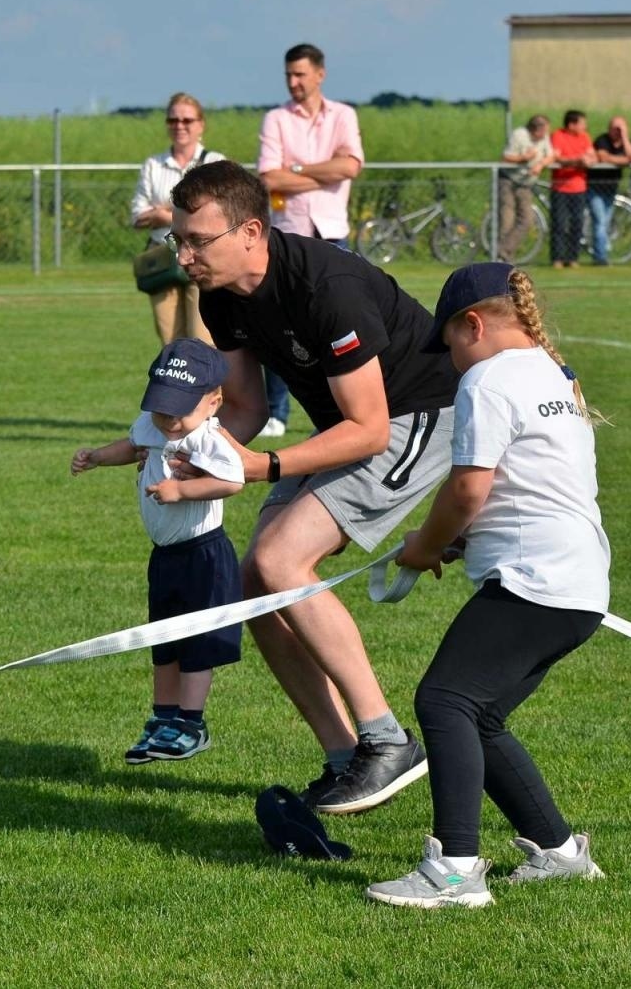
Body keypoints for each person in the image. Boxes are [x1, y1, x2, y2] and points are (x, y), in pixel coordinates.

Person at [169, 159, 462, 815]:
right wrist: (188, 450)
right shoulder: (219, 294)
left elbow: (368, 428)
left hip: (418, 414)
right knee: (254, 585)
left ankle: (388, 741)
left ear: (251, 232)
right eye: (177, 240)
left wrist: (265, 467)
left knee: (281, 559)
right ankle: (347, 758)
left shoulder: (326, 286)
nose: (184, 256)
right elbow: (243, 406)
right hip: (353, 424)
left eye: (197, 241)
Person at [365, 261, 610, 910]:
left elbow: (470, 487)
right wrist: (459, 539)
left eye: (448, 343)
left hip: (538, 579)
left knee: (444, 701)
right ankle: (557, 852)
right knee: (482, 715)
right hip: (578, 584)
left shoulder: (490, 378)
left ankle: (454, 870)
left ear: (473, 324)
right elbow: (533, 484)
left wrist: (422, 546)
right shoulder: (552, 374)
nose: (448, 360)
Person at [71, 338, 246, 764]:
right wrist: (97, 456)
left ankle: (191, 723)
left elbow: (232, 480)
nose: (168, 421)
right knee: (163, 640)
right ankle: (162, 718)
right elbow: (131, 447)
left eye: (178, 411)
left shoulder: (209, 437)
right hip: (166, 556)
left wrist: (181, 489)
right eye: (161, 409)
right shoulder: (154, 426)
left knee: (198, 642)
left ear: (213, 402)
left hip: (205, 556)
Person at [258, 43, 366, 439]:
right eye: (289, 74)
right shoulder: (276, 119)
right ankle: (276, 412)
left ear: (320, 74)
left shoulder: (343, 115)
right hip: (287, 235)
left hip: (332, 232)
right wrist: (326, 172)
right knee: (279, 325)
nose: (293, 82)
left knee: (338, 325)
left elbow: (351, 166)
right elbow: (269, 178)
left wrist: (298, 169)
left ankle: (343, 409)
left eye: (300, 74)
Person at [130, 94, 223, 344]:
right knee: (171, 344)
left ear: (200, 124)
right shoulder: (153, 165)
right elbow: (137, 215)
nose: (179, 125)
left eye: (186, 120)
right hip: (163, 258)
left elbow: (219, 214)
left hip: (203, 258)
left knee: (203, 341)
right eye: (173, 120)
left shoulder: (215, 163)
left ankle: (210, 386)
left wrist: (164, 214)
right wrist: (186, 212)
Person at [497, 114, 554, 259]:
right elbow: (505, 158)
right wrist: (523, 158)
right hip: (508, 180)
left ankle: (502, 250)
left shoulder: (544, 137)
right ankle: (503, 258)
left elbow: (551, 155)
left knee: (527, 219)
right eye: (544, 131)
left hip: (526, 183)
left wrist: (540, 164)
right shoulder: (519, 135)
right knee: (507, 219)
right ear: (536, 129)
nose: (545, 135)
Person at [589, 116, 631, 267]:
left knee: (605, 223)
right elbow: (603, 157)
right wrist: (625, 160)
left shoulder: (628, 142)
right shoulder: (602, 140)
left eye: (621, 128)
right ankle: (600, 258)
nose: (617, 131)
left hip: (611, 189)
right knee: (600, 222)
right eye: (615, 128)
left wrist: (624, 136)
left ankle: (600, 254)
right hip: (595, 187)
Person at [547, 111, 595, 269]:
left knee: (577, 223)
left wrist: (587, 160)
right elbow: (557, 158)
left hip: (579, 187)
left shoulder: (585, 137)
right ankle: (557, 258)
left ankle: (573, 257)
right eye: (582, 123)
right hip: (560, 187)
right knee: (559, 224)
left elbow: (592, 156)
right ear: (571, 124)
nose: (585, 126)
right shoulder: (557, 136)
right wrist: (577, 160)